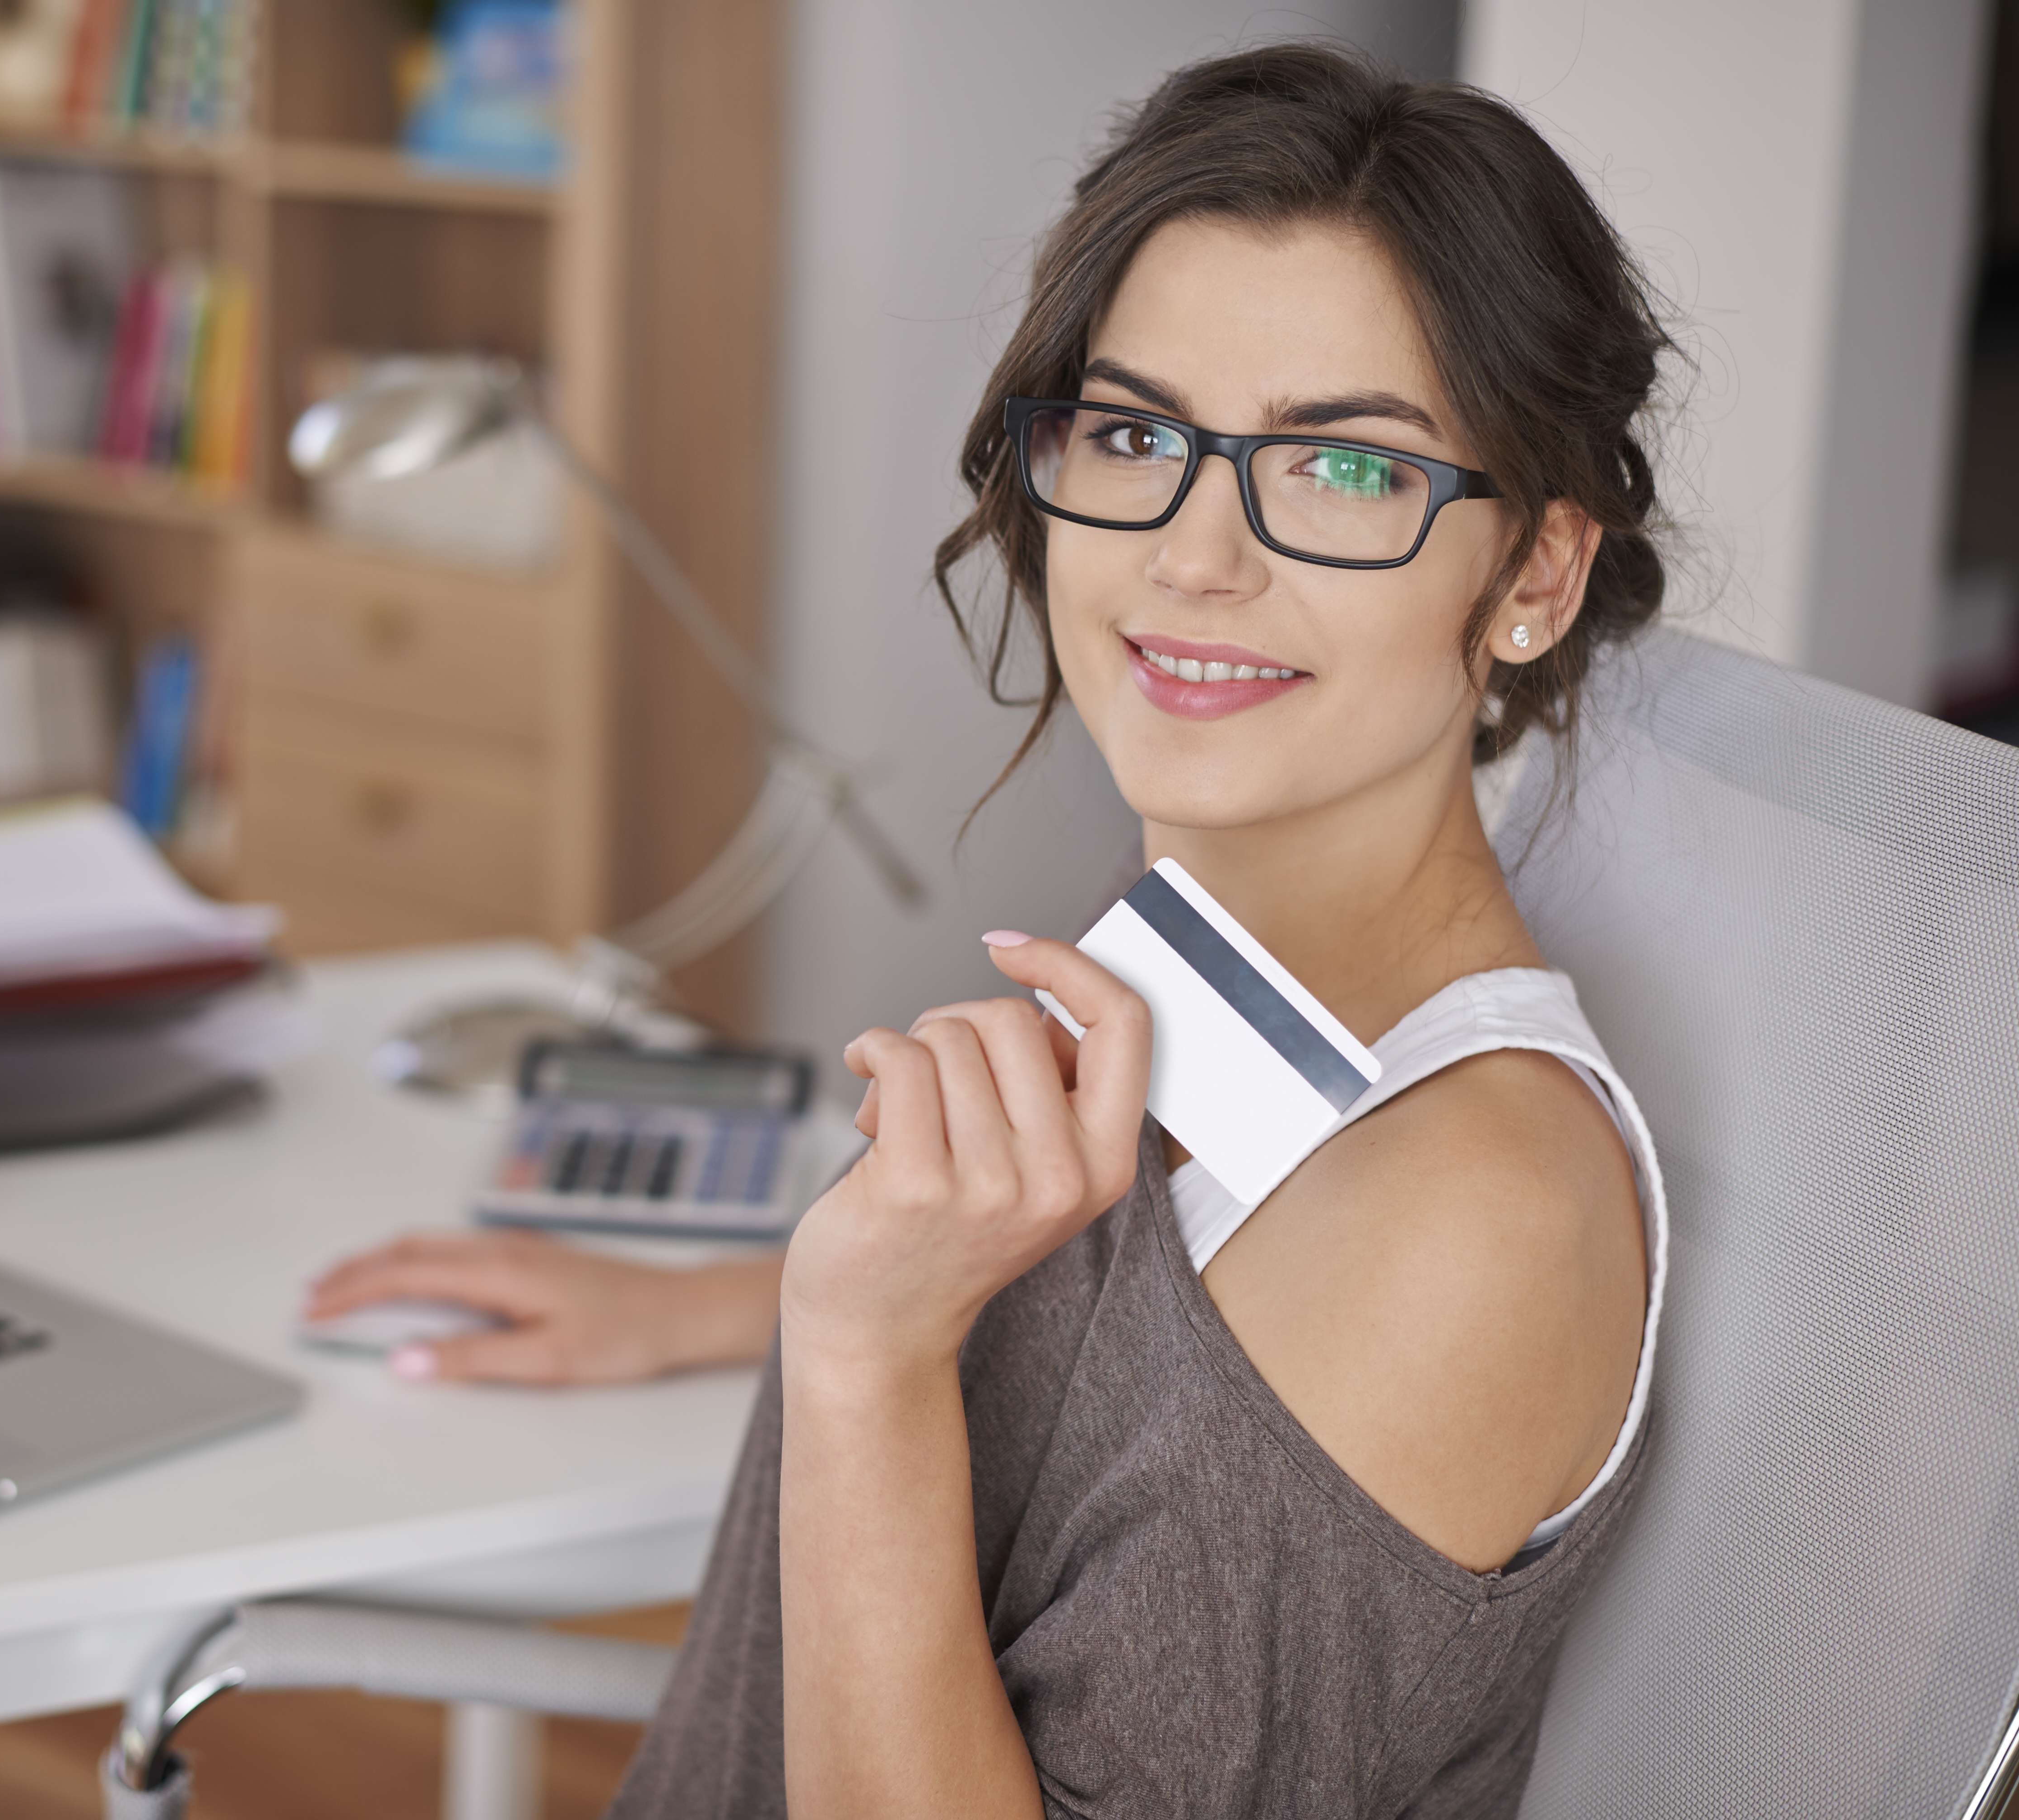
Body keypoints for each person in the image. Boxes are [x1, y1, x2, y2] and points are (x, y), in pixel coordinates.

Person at [304, 42, 1669, 1817]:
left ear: (1536, 580)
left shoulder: (1464, 1217)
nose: (1192, 555)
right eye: (1135, 435)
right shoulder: (1209, 948)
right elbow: (1121, 1378)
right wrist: (720, 1306)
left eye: (1340, 472)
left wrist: (860, 1349)